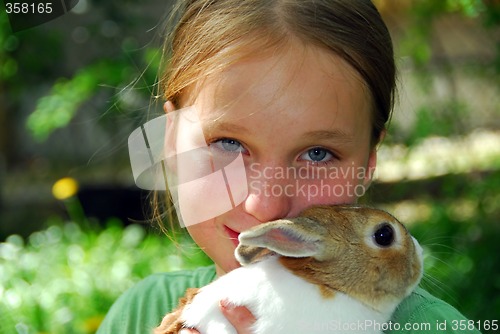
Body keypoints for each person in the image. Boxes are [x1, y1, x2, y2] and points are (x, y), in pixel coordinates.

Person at [98, 0, 480, 333]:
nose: (265, 206)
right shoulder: (138, 313)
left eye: (317, 153)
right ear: (170, 141)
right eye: (228, 143)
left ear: (367, 163)